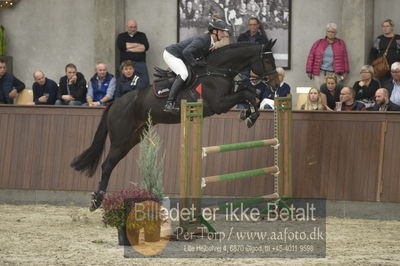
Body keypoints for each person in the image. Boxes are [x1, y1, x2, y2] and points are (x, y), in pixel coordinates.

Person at [162, 19, 230, 112]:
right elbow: (186, 52)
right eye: (222, 31)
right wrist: (195, 63)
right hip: (171, 54)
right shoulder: (203, 40)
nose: (224, 34)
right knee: (183, 74)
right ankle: (169, 103)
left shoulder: (210, 42)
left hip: (180, 56)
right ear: (214, 31)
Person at [306, 23, 349, 88]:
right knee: (320, 93)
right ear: (326, 32)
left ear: (336, 33)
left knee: (333, 94)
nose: (330, 33)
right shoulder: (318, 43)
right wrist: (309, 71)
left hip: (334, 74)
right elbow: (311, 57)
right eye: (329, 31)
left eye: (333, 32)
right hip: (320, 73)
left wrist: (346, 71)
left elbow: (345, 58)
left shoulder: (340, 43)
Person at [116, 19, 150, 86]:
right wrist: (137, 45)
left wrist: (129, 48)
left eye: (135, 27)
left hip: (140, 64)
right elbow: (122, 47)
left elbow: (145, 47)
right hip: (126, 64)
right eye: (131, 27)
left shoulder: (142, 35)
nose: (133, 29)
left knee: (144, 83)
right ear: (127, 27)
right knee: (125, 85)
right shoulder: (121, 36)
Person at [370, 19, 400, 84]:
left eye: (387, 26)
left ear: (392, 27)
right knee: (384, 85)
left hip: (396, 68)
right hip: (382, 69)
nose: (385, 28)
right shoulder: (379, 39)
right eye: (383, 26)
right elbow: (373, 53)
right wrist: (372, 66)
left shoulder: (398, 38)